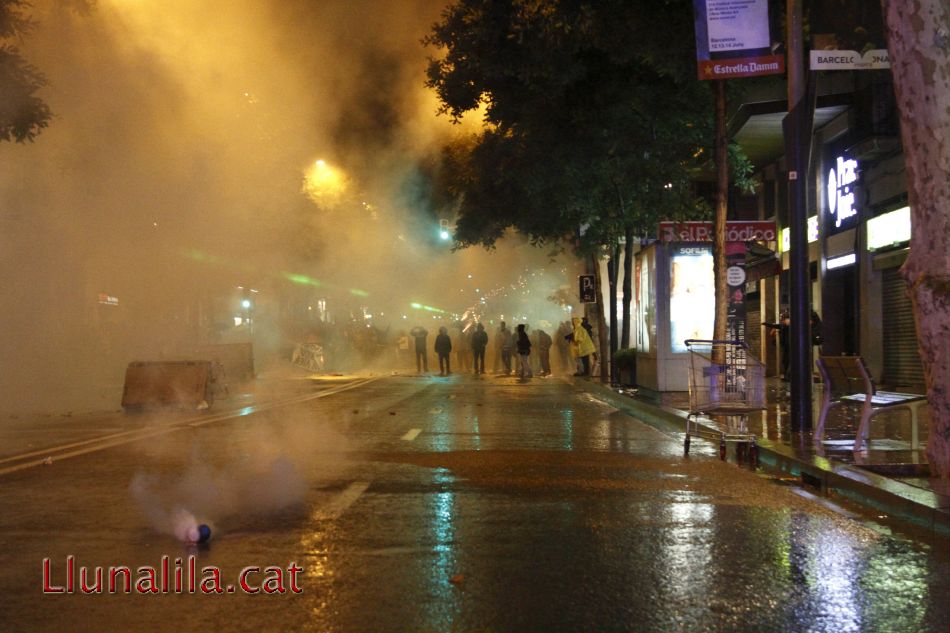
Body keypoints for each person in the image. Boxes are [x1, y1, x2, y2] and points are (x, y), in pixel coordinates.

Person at [763, 310, 790, 380]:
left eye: (785, 320)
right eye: (783, 320)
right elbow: (774, 325)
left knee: (789, 361)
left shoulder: (792, 327)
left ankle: (788, 376)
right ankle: (786, 376)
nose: (784, 321)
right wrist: (765, 324)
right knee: (785, 361)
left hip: (791, 347)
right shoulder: (782, 326)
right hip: (785, 347)